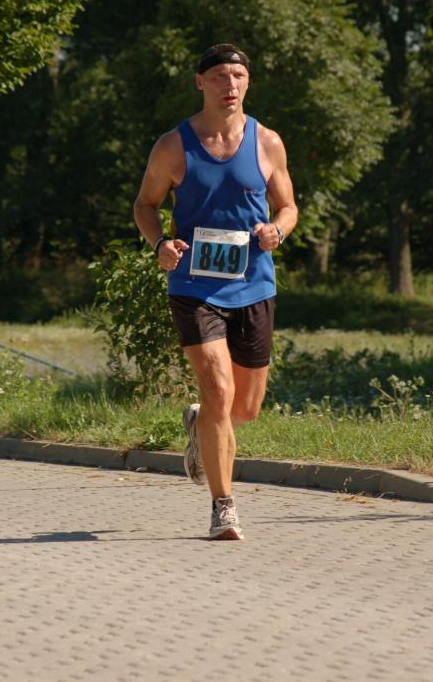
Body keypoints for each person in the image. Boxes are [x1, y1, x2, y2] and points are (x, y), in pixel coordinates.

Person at [134, 43, 298, 540]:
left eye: (239, 76)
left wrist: (277, 230)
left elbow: (288, 207)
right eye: (221, 76)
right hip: (194, 285)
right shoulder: (173, 146)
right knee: (219, 391)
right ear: (200, 82)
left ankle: (199, 422)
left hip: (253, 285)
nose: (231, 85)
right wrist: (160, 243)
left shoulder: (267, 142)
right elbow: (145, 205)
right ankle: (223, 506)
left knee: (243, 408)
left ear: (248, 82)